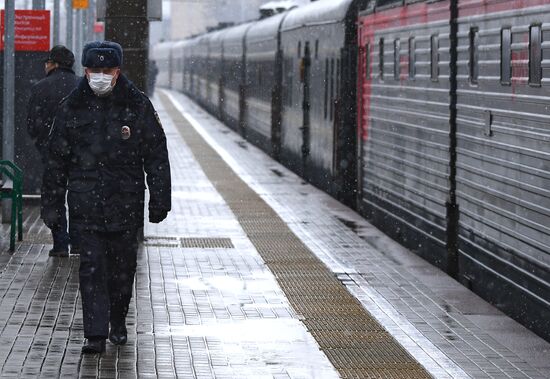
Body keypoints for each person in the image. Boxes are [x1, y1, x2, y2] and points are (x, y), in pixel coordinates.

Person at [41, 41, 172, 354]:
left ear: (118, 71)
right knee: (91, 268)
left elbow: (156, 153)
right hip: (85, 204)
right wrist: (52, 206)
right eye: (94, 70)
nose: (100, 76)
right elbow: (55, 161)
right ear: (85, 71)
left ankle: (117, 319)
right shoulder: (71, 106)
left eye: (106, 70)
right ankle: (95, 334)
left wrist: (160, 199)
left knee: (122, 269)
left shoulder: (136, 104)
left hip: (125, 204)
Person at [27, 45, 79, 257]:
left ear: (54, 64)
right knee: (80, 197)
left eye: (48, 62)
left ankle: (60, 244)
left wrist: (44, 144)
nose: (45, 65)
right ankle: (78, 243)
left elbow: (32, 125)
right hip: (82, 155)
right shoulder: (82, 86)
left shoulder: (40, 87)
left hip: (53, 154)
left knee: (54, 198)